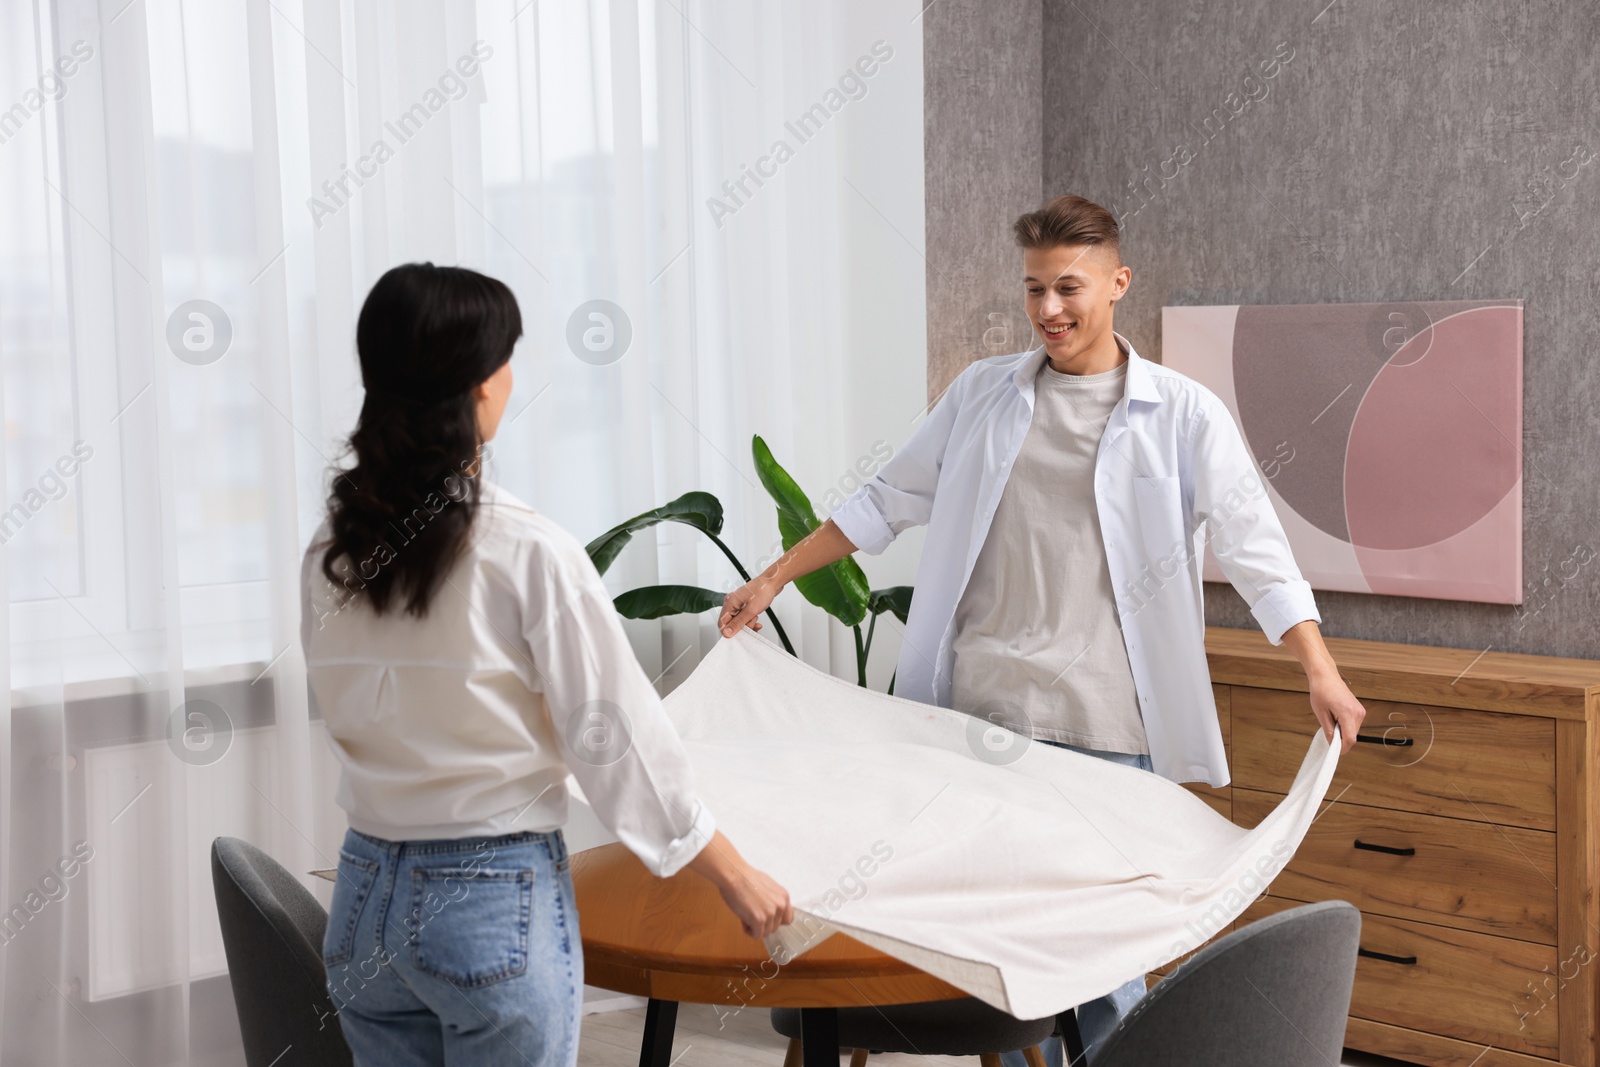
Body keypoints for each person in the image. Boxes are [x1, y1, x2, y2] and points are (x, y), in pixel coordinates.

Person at [719, 195, 1366, 1061]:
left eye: (1069, 287)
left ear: (1118, 282)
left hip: (1106, 729)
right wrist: (772, 577)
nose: (1049, 311)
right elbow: (884, 501)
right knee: (986, 941)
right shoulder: (983, 393)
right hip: (974, 720)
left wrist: (1316, 667)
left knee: (1103, 965)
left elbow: (1256, 548)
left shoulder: (1181, 414)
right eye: (1033, 290)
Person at [305, 262, 791, 1067]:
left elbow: (347, 704)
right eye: (504, 358)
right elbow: (613, 735)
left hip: (362, 898)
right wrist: (730, 870)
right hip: (484, 900)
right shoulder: (526, 551)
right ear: (478, 387)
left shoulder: (332, 549)